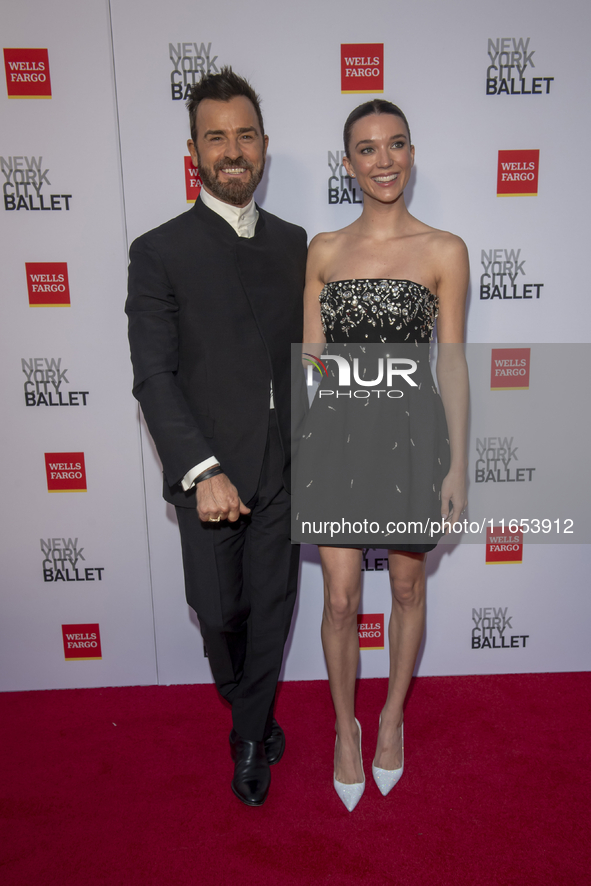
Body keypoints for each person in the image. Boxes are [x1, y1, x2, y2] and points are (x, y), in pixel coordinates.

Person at [125, 68, 307, 807]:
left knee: (272, 606)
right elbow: (153, 376)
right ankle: (246, 702)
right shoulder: (158, 250)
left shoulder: (297, 244)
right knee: (219, 609)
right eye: (216, 138)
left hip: (285, 467)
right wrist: (202, 471)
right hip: (210, 474)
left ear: (264, 146)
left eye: (245, 136)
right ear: (194, 152)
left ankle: (247, 737)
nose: (233, 151)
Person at [301, 99, 469, 811]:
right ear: (347, 164)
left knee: (405, 590)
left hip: (410, 440)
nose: (383, 160)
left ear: (410, 152)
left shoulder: (443, 250)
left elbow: (451, 364)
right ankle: (345, 729)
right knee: (340, 599)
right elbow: (311, 362)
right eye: (366, 149)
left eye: (395, 144)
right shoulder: (324, 250)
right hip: (336, 435)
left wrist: (457, 462)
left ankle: (391, 720)